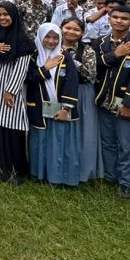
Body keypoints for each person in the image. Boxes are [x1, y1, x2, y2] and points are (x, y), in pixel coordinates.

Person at [94, 4, 130, 198]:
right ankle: (111, 175)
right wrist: (114, 55)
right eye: (115, 17)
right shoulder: (100, 42)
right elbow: (95, 66)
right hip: (102, 98)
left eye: (124, 18)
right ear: (109, 19)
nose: (118, 21)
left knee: (125, 144)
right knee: (107, 141)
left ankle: (125, 181)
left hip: (124, 101)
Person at [0, 1, 36, 182]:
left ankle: (14, 169)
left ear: (14, 16)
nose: (2, 18)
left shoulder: (22, 40)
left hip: (9, 90)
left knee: (11, 127)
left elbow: (21, 68)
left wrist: (10, 90)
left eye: (6, 14)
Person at [27, 22, 81, 187]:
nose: (51, 41)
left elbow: (72, 83)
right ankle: (39, 174)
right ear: (40, 37)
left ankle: (58, 177)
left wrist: (66, 108)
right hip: (37, 106)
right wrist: (45, 68)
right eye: (47, 37)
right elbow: (28, 77)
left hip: (60, 109)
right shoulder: (33, 55)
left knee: (59, 143)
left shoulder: (65, 56)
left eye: (55, 38)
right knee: (40, 142)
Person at [60, 18, 102, 182]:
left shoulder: (88, 51)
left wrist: (68, 58)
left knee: (84, 131)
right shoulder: (53, 45)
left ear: (82, 33)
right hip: (59, 91)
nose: (71, 32)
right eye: (67, 28)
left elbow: (90, 74)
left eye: (76, 29)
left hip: (82, 92)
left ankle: (83, 170)